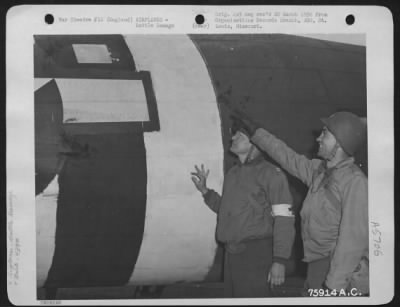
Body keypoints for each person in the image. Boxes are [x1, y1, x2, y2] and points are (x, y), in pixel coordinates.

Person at [234, 111, 369, 296]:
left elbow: (352, 240)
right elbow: (285, 156)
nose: (319, 138)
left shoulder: (354, 182)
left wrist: (334, 287)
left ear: (339, 142)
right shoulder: (318, 172)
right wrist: (257, 133)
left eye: (325, 133)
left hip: (336, 271)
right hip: (316, 266)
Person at [191, 120, 295, 298]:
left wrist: (280, 261)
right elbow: (228, 210)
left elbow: (284, 220)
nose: (233, 137)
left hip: (256, 256)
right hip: (231, 257)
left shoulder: (271, 175)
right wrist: (206, 192)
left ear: (255, 144)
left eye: (240, 135)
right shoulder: (233, 174)